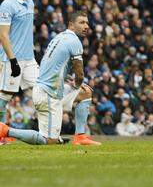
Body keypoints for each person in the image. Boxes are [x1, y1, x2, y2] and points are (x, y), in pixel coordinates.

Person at [0, 11, 100, 146]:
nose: (86, 26)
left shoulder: (59, 37)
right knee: (49, 141)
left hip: (48, 90)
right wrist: (76, 85)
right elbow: (80, 74)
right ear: (71, 24)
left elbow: (53, 65)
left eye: (87, 22)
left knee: (86, 92)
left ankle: (80, 137)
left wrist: (67, 79)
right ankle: (6, 130)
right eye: (81, 22)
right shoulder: (74, 41)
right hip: (48, 95)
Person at [0, 0, 38, 144]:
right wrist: (13, 60)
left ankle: (46, 132)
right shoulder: (7, 5)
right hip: (11, 59)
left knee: (42, 89)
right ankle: (0, 135)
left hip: (29, 60)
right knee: (4, 97)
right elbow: (3, 35)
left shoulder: (30, 1)